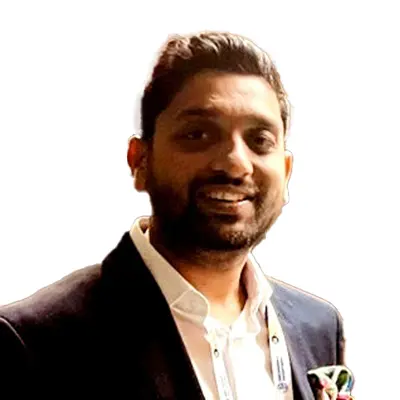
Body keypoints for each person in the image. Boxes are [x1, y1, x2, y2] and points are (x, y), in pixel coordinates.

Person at [0, 31, 349, 399]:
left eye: (259, 140)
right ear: (140, 161)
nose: (235, 163)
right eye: (198, 134)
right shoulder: (33, 343)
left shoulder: (318, 327)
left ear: (287, 170)